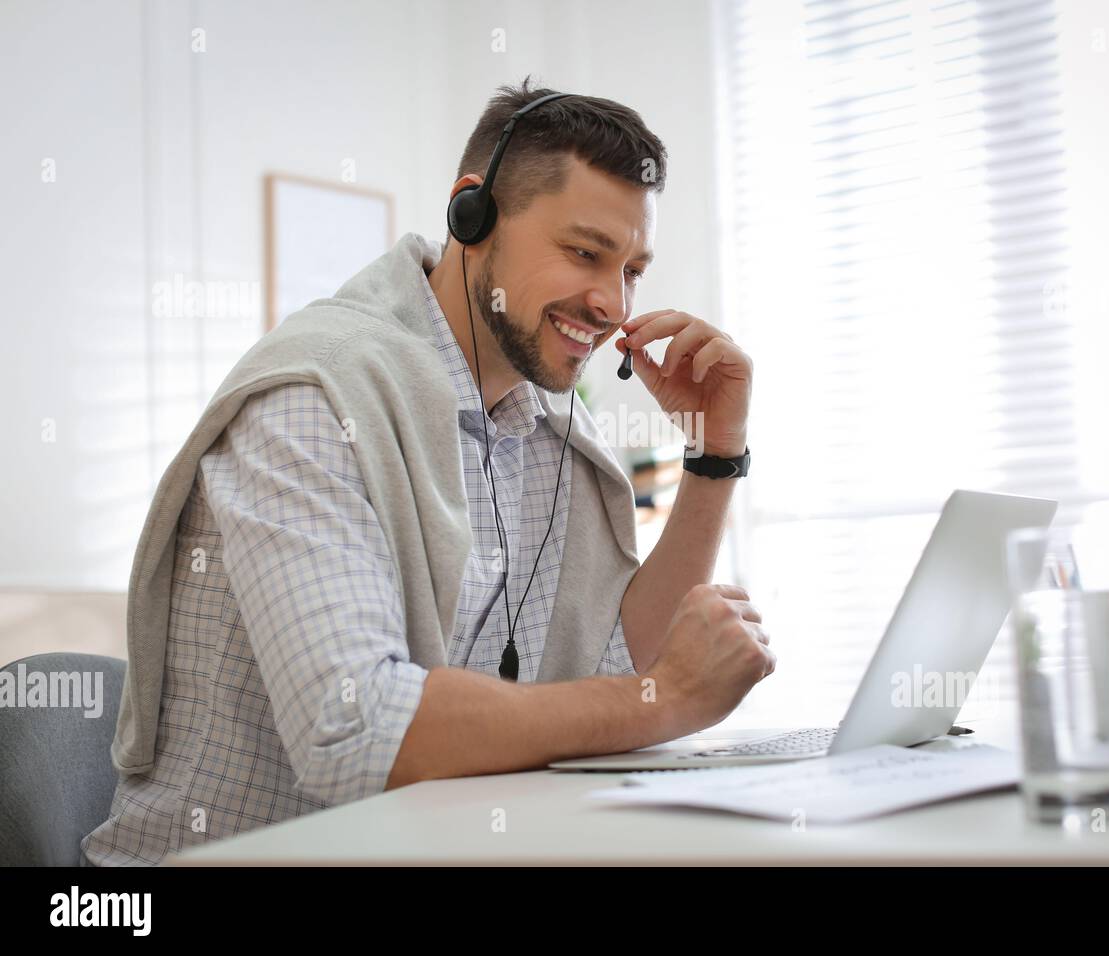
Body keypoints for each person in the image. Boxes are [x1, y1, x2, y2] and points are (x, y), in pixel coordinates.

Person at [83, 78, 773, 866]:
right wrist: (668, 700)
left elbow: (616, 665)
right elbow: (356, 729)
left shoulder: (548, 430)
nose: (613, 304)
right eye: (585, 253)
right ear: (471, 216)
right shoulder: (316, 401)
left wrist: (713, 454)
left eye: (633, 271)